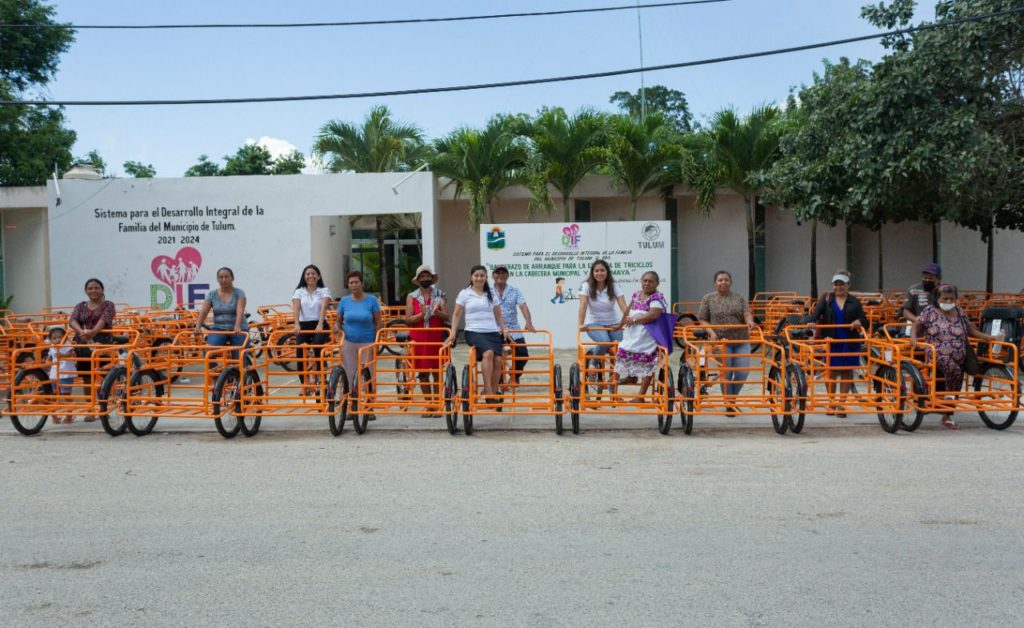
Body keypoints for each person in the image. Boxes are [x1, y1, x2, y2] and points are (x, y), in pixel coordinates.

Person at [910, 283, 1001, 430]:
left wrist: (989, 338)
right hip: (937, 352)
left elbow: (971, 330)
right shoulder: (929, 311)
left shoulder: (959, 311)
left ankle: (947, 415)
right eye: (945, 298)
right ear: (938, 298)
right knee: (955, 371)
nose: (948, 302)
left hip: (960, 354)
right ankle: (947, 399)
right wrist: (913, 337)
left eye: (951, 299)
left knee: (956, 381)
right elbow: (916, 324)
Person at [803, 270, 869, 417]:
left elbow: (864, 319)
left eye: (842, 284)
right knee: (831, 372)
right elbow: (815, 314)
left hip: (850, 340)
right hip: (832, 341)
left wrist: (859, 322)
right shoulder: (826, 299)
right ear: (832, 285)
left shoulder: (854, 301)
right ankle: (831, 403)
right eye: (836, 284)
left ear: (848, 285)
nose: (839, 287)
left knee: (847, 372)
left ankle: (841, 404)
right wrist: (809, 322)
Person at [444, 265, 510, 404]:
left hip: (492, 331)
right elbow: (456, 314)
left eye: (482, 276)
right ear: (471, 277)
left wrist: (504, 329)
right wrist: (453, 333)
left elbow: (498, 314)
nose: (479, 278)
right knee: (489, 353)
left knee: (499, 360)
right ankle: (488, 391)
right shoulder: (465, 293)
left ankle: (492, 389)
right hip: (473, 331)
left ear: (486, 278)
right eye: (476, 276)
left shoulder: (491, 292)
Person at [697, 270, 756, 415]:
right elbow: (703, 319)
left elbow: (746, 313)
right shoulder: (708, 298)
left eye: (726, 280)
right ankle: (730, 404)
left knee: (742, 372)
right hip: (720, 341)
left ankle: (731, 399)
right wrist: (711, 332)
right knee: (726, 373)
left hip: (741, 339)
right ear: (715, 282)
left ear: (731, 282)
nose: (723, 282)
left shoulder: (739, 298)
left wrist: (750, 322)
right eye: (720, 280)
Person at [615, 271, 669, 402]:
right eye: (645, 280)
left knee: (647, 363)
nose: (647, 283)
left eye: (651, 281)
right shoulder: (636, 294)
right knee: (623, 352)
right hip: (632, 334)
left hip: (648, 335)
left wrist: (633, 321)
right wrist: (620, 325)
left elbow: (652, 316)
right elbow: (627, 311)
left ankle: (640, 396)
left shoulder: (657, 298)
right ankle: (631, 377)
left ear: (657, 283)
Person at [405, 265, 449, 415]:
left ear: (431, 278)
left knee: (437, 371)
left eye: (427, 276)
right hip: (419, 337)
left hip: (435, 336)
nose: (425, 279)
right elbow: (408, 319)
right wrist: (421, 315)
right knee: (422, 372)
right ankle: (429, 403)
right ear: (418, 279)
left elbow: (446, 316)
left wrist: (436, 312)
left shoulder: (440, 294)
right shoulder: (412, 296)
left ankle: (437, 403)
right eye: (422, 277)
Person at [68, 278, 116, 409]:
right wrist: (82, 332)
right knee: (87, 378)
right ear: (86, 291)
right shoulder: (80, 305)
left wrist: (93, 332)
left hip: (103, 344)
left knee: (105, 376)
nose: (93, 290)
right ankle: (90, 408)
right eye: (90, 288)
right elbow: (72, 320)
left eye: (96, 288)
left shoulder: (108, 305)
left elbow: (105, 319)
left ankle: (104, 406)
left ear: (102, 290)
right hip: (83, 344)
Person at [335, 271, 381, 390]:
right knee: (349, 373)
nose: (354, 285)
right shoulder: (344, 301)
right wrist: (337, 329)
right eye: (351, 283)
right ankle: (353, 401)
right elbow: (338, 320)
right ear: (348, 285)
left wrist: (377, 341)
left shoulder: (371, 300)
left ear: (362, 284)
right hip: (349, 341)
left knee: (368, 372)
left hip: (368, 342)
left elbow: (378, 322)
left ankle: (369, 403)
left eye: (356, 282)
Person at [291, 264, 332, 392]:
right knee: (300, 353)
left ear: (318, 276)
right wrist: (296, 324)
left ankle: (321, 380)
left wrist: (320, 323)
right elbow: (296, 308)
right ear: (304, 276)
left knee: (317, 346)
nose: (311, 276)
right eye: (308, 274)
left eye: (313, 273)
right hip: (304, 324)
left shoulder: (324, 290)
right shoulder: (299, 291)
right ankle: (305, 384)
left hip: (320, 323)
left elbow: (324, 307)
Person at [577, 259, 629, 359]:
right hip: (594, 323)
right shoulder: (586, 285)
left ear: (607, 272)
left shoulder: (614, 285)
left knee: (617, 348)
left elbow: (623, 306)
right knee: (605, 343)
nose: (599, 273)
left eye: (602, 270)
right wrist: (580, 324)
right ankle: (593, 363)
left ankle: (614, 373)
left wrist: (631, 319)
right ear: (592, 273)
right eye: (596, 271)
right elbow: (583, 305)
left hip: (613, 323)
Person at [492, 265, 535, 385]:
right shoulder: (488, 292)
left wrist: (528, 322)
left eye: (503, 273)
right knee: (495, 355)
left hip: (513, 329)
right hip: (494, 329)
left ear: (507, 275)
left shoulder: (515, 291)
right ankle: (498, 382)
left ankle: (514, 374)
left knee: (523, 354)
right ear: (493, 276)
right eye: (497, 273)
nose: (500, 275)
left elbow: (523, 306)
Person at [194, 267, 247, 357]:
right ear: (218, 279)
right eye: (221, 277)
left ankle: (240, 369)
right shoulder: (212, 294)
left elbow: (240, 309)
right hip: (219, 328)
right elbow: (204, 311)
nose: (224, 280)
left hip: (238, 329)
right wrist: (197, 327)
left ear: (232, 278)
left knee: (239, 353)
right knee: (209, 351)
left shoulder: (239, 293)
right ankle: (213, 371)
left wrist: (237, 326)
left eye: (226, 277)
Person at [47, 327, 76, 424]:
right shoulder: (52, 346)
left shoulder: (67, 344)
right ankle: (54, 416)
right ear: (51, 339)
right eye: (54, 338)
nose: (57, 340)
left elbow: (70, 353)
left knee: (66, 395)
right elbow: (50, 356)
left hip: (66, 373)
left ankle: (69, 416)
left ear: (65, 337)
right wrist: (48, 361)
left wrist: (62, 356)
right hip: (54, 374)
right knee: (53, 395)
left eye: (60, 337)